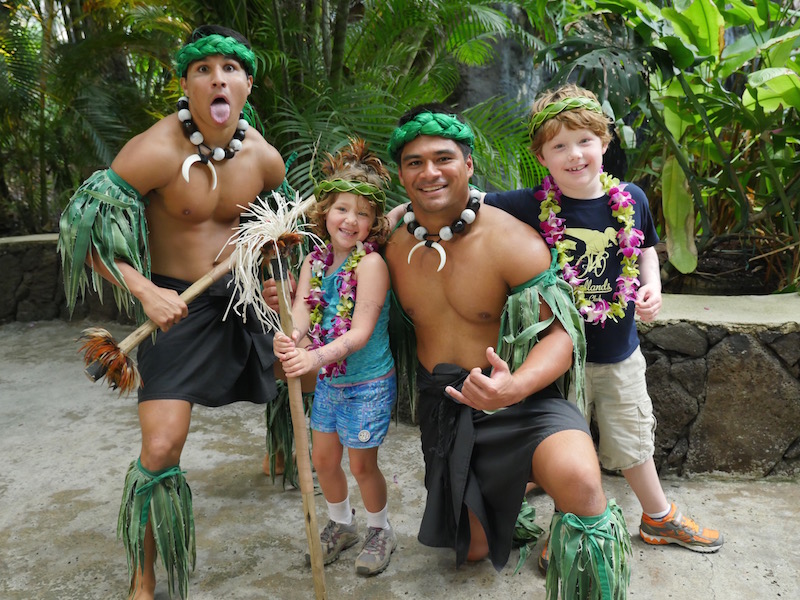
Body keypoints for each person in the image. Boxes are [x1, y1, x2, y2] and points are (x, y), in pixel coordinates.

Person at [58, 25, 286, 600]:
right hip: (175, 306)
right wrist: (142, 290)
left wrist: (266, 262)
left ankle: (279, 448)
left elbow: (278, 234)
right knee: (161, 448)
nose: (217, 78)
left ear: (246, 86)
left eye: (229, 69)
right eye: (203, 69)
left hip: (242, 297)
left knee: (289, 373)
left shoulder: (264, 158)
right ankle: (144, 576)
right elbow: (79, 234)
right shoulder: (155, 149)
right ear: (185, 85)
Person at [384, 106, 631, 598]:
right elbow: (339, 295)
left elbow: (563, 334)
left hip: (522, 401)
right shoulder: (387, 244)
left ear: (469, 165)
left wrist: (513, 386)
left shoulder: (512, 241)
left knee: (583, 483)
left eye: (443, 158)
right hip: (447, 406)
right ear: (401, 174)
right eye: (415, 162)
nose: (429, 172)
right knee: (473, 549)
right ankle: (514, 490)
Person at [482, 84, 724, 571]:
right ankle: (565, 526)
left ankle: (657, 516)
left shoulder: (630, 198)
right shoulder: (528, 204)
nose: (574, 155)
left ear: (605, 142)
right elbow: (470, 202)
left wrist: (653, 287)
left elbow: (646, 251)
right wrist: (407, 215)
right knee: (561, 450)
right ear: (541, 156)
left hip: (619, 355)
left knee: (632, 441)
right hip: (557, 362)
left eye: (584, 141)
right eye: (559, 146)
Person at [273, 138, 398, 576]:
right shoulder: (314, 261)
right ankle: (341, 525)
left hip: (367, 382)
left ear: (374, 223)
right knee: (324, 460)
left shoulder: (371, 266)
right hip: (329, 380)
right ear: (325, 210)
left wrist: (314, 358)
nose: (351, 220)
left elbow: (360, 333)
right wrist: (290, 341)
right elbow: (303, 318)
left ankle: (380, 529)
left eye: (363, 213)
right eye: (343, 208)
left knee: (363, 464)